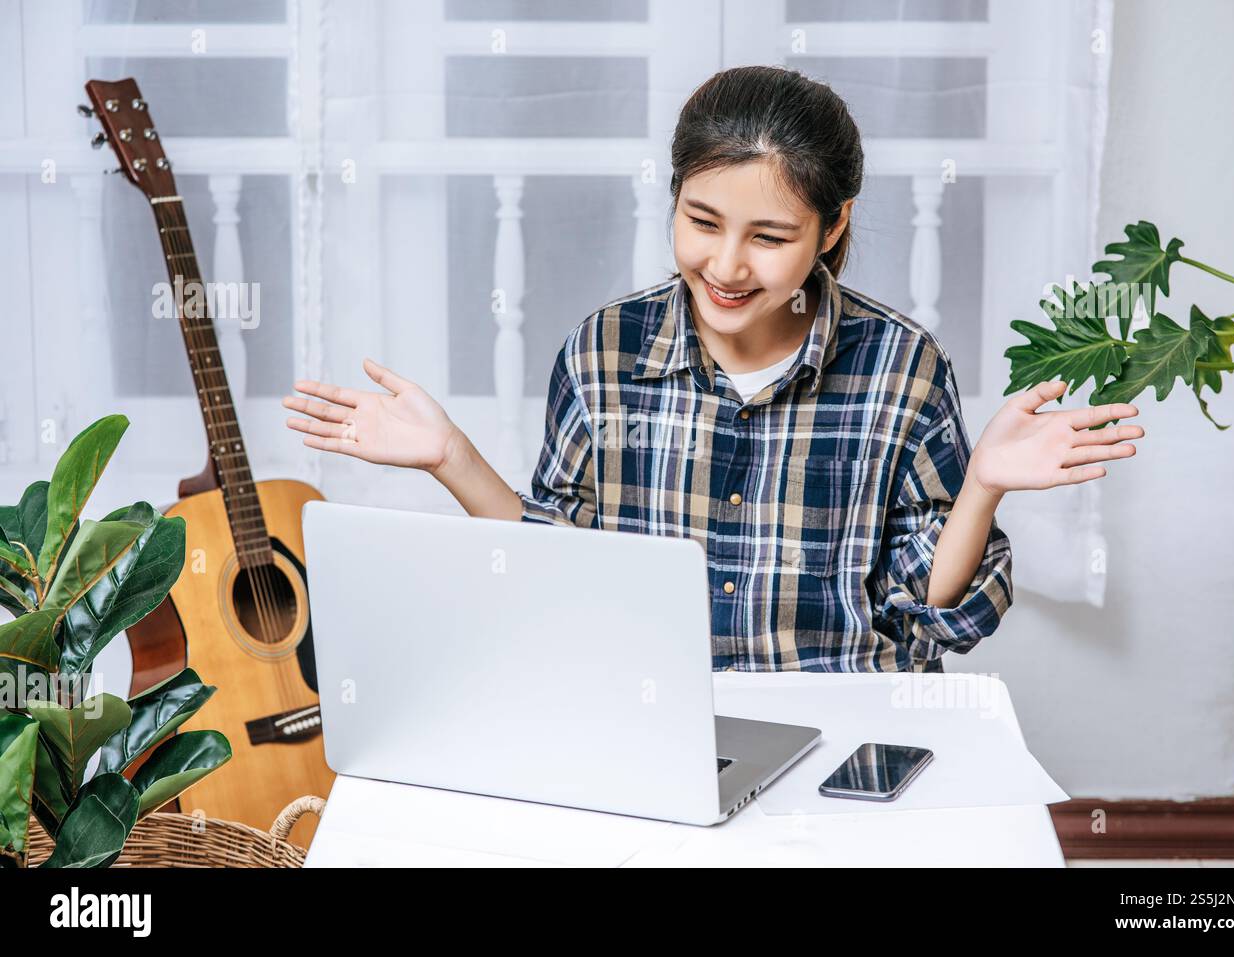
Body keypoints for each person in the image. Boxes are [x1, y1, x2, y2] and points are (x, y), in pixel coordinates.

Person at [283, 65, 1143, 673]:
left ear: (833, 227)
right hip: (644, 711)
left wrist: (982, 485)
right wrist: (451, 458)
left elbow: (929, 611)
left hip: (846, 716)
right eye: (702, 220)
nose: (727, 265)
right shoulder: (604, 352)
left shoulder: (901, 367)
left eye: (769, 238)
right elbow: (557, 575)